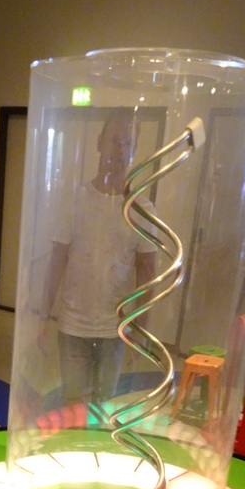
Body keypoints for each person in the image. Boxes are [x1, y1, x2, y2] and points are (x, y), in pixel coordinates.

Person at [39, 108, 158, 411]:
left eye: (127, 144)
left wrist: (141, 330)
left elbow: (148, 274)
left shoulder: (142, 209)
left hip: (114, 329)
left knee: (106, 405)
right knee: (72, 403)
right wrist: (42, 318)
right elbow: (57, 263)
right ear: (99, 142)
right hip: (73, 324)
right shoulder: (75, 201)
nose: (120, 150)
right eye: (115, 140)